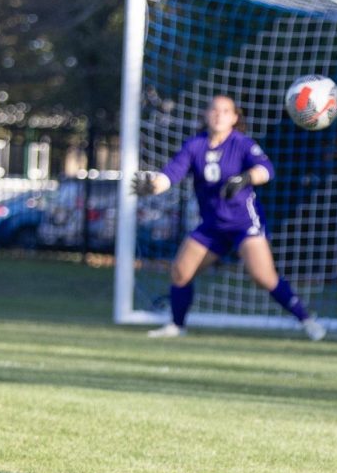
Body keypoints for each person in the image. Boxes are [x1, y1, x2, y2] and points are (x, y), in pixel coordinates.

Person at [134, 94, 326, 341]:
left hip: (244, 223)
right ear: (206, 114)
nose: (218, 115)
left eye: (225, 111)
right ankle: (176, 325)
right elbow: (170, 174)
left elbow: (267, 170)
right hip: (212, 226)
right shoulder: (195, 145)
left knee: (263, 277)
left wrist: (245, 178)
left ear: (235, 118)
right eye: (214, 109)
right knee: (181, 272)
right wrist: (152, 185)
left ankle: (306, 320)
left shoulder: (242, 144)